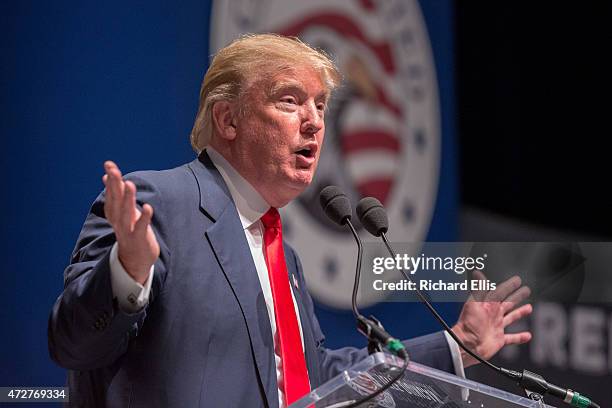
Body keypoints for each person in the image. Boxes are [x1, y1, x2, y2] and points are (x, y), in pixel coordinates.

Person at [48, 34, 532, 407]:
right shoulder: (162, 203)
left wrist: (457, 346)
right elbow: (73, 344)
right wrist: (127, 273)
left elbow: (316, 378)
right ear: (228, 120)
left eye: (320, 105)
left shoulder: (284, 256)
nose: (315, 121)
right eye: (290, 100)